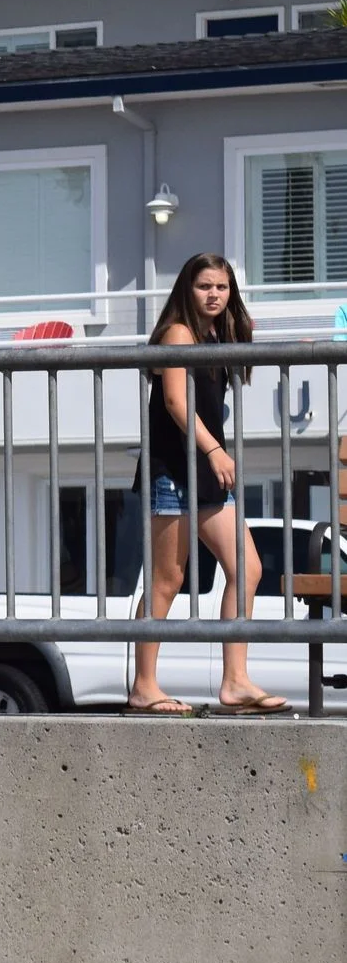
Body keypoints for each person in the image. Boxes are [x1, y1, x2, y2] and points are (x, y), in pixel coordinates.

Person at [126, 253, 288, 716]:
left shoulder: (218, 335)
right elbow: (176, 402)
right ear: (186, 290)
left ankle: (235, 681)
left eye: (222, 287)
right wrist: (215, 450)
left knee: (248, 567)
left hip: (204, 472)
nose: (214, 294)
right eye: (204, 287)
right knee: (166, 579)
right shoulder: (178, 332)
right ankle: (144, 687)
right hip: (175, 469)